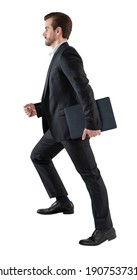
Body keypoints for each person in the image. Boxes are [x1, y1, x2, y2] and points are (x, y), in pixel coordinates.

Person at [24, 12, 116, 246]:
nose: (43, 32)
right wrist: (38, 108)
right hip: (58, 127)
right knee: (38, 155)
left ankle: (105, 229)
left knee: (91, 176)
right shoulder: (57, 56)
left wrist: (92, 123)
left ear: (58, 31)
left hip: (74, 129)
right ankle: (63, 201)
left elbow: (83, 88)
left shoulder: (68, 54)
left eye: (46, 27)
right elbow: (62, 97)